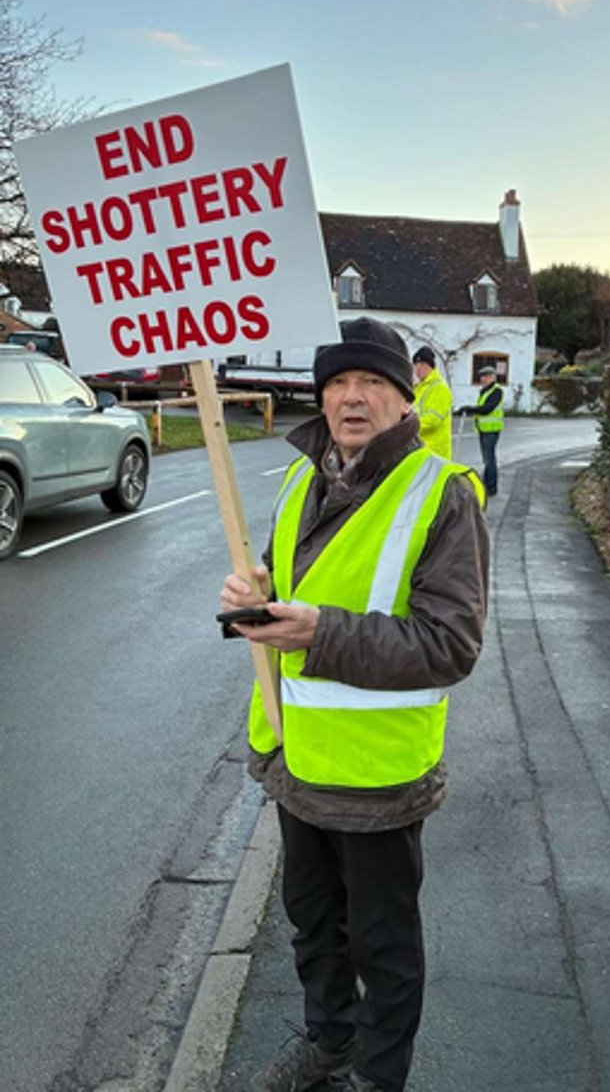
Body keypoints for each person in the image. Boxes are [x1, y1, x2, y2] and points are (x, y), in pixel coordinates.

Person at [220, 317, 489, 1092]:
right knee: (311, 924)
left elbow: (450, 645)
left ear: (406, 399)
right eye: (337, 382)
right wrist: (257, 592)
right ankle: (328, 1044)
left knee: (384, 945)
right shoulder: (304, 479)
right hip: (295, 758)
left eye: (372, 382)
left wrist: (319, 633)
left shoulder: (442, 496)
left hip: (377, 778)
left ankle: (377, 1077)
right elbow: (285, 582)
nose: (351, 398)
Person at [454, 365, 504, 497]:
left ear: (493, 377)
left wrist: (469, 409)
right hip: (483, 429)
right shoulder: (485, 391)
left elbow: (487, 409)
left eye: (486, 376)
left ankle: (491, 487)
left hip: (491, 430)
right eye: (482, 376)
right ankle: (487, 483)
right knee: (486, 458)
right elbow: (481, 408)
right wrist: (463, 410)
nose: (483, 379)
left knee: (489, 459)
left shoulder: (496, 391)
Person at [411, 345, 452, 459]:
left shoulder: (439, 388)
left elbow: (433, 420)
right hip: (419, 448)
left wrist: (408, 427)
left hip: (435, 452)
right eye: (416, 364)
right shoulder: (418, 388)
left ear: (431, 367)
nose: (418, 368)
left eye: (423, 364)